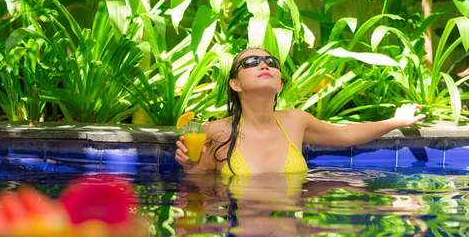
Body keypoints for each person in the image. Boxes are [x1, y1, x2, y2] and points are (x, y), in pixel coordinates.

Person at [174, 47, 425, 175]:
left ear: (280, 84)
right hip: (241, 224)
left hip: (287, 231)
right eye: (251, 62)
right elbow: (201, 186)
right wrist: (189, 165)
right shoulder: (217, 131)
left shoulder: (295, 121)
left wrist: (396, 121)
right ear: (235, 84)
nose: (264, 64)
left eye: (271, 62)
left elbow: (346, 135)